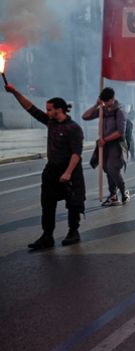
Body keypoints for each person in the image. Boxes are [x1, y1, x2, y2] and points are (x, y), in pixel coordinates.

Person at [5, 84, 85, 249]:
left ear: (59, 109)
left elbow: (76, 153)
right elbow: (30, 108)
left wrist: (68, 173)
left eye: (49, 109)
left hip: (70, 171)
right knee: (47, 204)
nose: (46, 112)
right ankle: (47, 236)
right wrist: (14, 92)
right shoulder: (51, 122)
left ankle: (73, 232)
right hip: (52, 170)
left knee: (73, 203)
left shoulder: (74, 128)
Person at [82, 87, 129, 207]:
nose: (106, 104)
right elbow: (85, 116)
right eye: (103, 101)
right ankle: (113, 195)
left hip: (117, 144)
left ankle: (124, 191)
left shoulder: (119, 111)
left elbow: (120, 131)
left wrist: (105, 139)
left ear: (112, 99)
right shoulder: (102, 110)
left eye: (107, 101)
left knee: (113, 168)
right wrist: (95, 105)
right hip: (105, 144)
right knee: (107, 169)